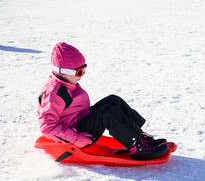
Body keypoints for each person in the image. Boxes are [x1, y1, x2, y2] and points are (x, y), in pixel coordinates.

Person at [37, 42, 168, 160]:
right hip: (77, 135)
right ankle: (137, 148)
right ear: (63, 72)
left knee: (112, 100)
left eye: (84, 70)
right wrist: (77, 138)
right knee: (107, 112)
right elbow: (47, 128)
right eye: (79, 72)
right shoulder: (53, 93)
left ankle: (139, 138)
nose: (82, 75)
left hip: (79, 121)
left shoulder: (67, 81)